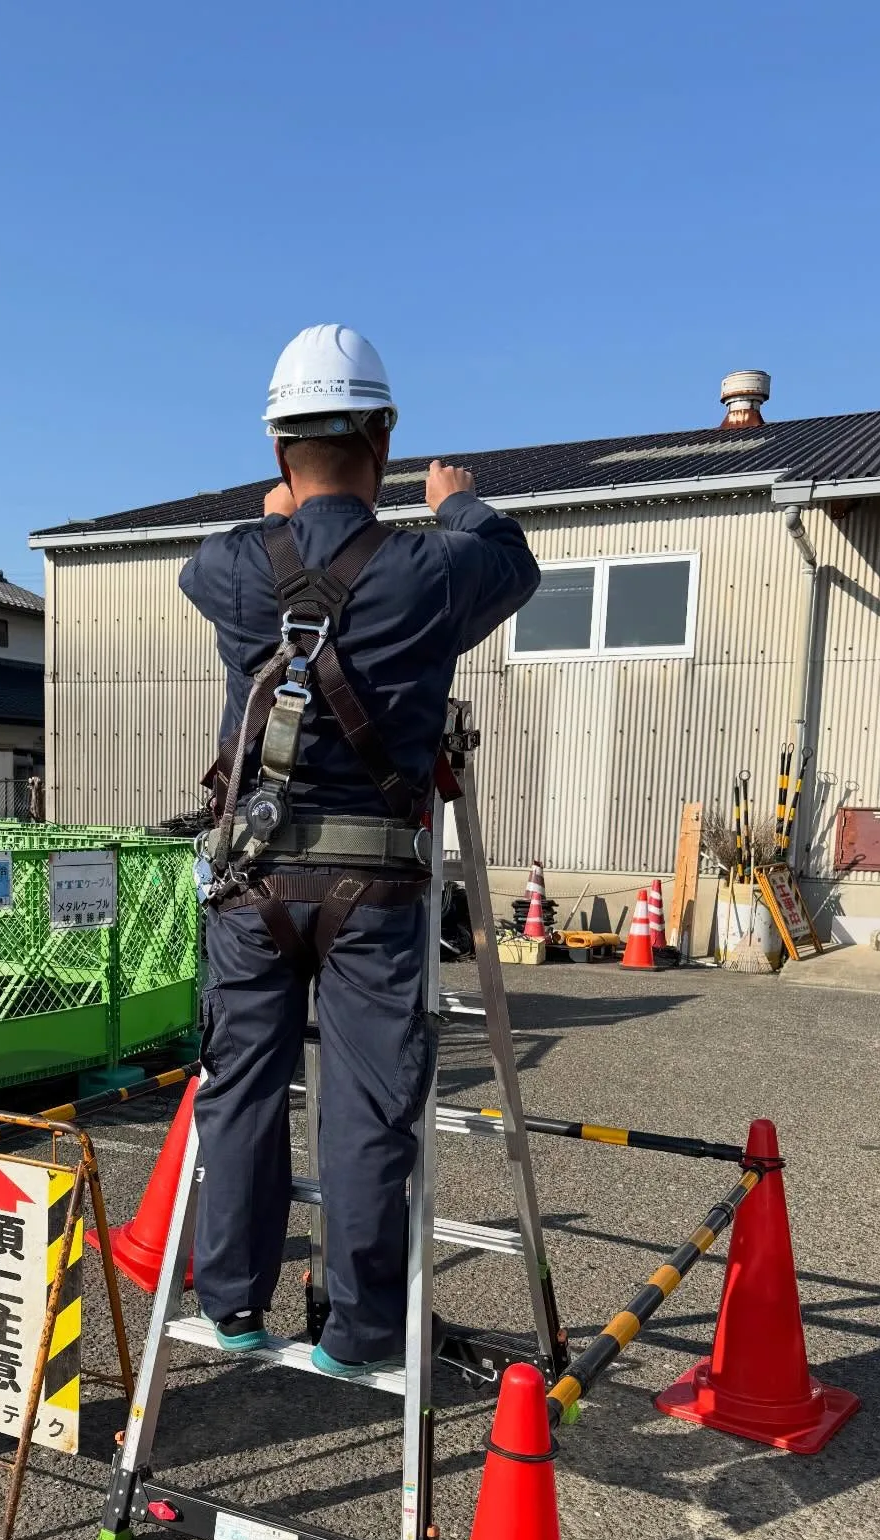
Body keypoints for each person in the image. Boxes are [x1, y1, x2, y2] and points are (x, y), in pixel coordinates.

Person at [177, 325, 541, 1377]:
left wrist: (280, 517)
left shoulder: (233, 569)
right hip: (373, 887)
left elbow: (214, 569)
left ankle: (233, 1304)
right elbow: (511, 561)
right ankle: (363, 1327)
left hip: (249, 883)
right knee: (370, 1104)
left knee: (239, 1089)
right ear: (382, 435)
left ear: (277, 446)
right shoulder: (431, 567)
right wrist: (454, 501)